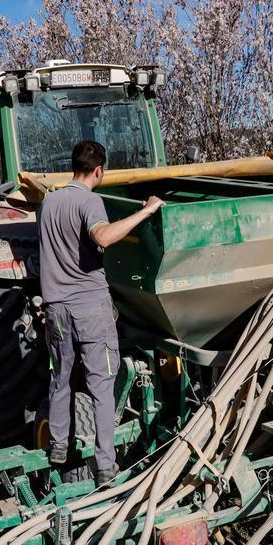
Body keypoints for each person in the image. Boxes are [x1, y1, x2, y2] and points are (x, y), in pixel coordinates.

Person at [38, 140, 164, 485]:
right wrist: (146, 211)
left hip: (56, 309)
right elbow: (104, 237)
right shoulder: (90, 201)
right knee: (101, 387)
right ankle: (106, 465)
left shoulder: (48, 202)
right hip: (89, 308)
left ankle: (59, 446)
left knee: (60, 378)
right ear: (99, 170)